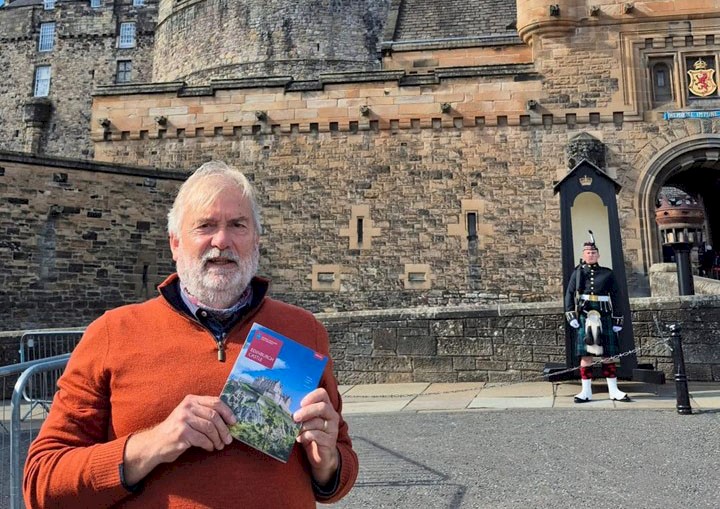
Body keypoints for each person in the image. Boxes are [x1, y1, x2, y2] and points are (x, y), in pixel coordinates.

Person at [24, 161, 358, 508]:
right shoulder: (112, 333)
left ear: (256, 240)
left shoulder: (304, 330)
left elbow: (341, 469)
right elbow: (41, 483)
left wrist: (328, 462)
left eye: (238, 225)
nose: (222, 240)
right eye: (205, 226)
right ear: (175, 243)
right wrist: (152, 444)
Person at [564, 232, 630, 403]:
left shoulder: (607, 273)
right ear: (583, 255)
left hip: (604, 315)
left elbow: (616, 296)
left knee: (608, 355)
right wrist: (571, 314)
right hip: (586, 316)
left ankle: (614, 390)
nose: (591, 255)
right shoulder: (577, 273)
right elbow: (570, 294)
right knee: (586, 356)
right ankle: (586, 391)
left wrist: (617, 319)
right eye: (588, 253)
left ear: (598, 255)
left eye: (593, 252)